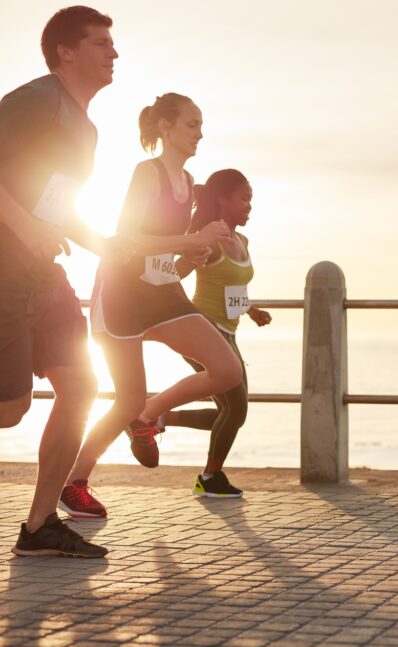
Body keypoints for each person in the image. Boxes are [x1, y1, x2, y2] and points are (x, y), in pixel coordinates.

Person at [58, 93, 242, 518]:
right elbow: (126, 239)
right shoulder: (148, 173)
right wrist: (190, 240)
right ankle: (74, 483)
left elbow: (161, 257)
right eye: (192, 124)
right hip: (121, 294)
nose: (200, 133)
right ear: (166, 128)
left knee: (227, 370)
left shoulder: (188, 182)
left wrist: (191, 256)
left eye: (201, 125)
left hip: (163, 292)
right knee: (124, 398)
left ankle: (148, 416)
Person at [2, 6, 128, 558]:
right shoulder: (36, 99)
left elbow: (61, 204)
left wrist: (110, 247)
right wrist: (25, 225)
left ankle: (38, 527)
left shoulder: (88, 128)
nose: (114, 53)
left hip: (43, 276)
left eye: (112, 43)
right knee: (8, 411)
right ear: (65, 52)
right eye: (101, 43)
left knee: (80, 386)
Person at [157, 169, 271, 498]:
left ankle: (161, 416)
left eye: (251, 199)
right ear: (223, 199)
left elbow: (232, 286)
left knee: (233, 412)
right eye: (244, 198)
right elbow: (173, 275)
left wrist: (250, 310)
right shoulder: (208, 238)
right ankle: (209, 477)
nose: (249, 206)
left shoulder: (242, 241)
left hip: (229, 331)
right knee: (235, 409)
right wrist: (180, 312)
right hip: (203, 329)